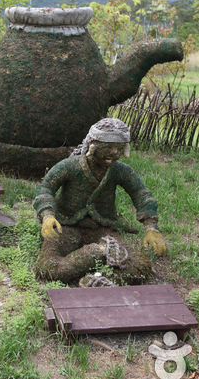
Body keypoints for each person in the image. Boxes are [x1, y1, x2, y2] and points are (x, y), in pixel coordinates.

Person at [32, 118, 167, 285]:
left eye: (119, 148)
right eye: (108, 147)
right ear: (92, 144)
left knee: (140, 265)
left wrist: (151, 227)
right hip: (68, 225)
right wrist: (47, 215)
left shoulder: (120, 171)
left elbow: (141, 193)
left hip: (103, 229)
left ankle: (97, 279)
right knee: (48, 269)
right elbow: (45, 188)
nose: (114, 153)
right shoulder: (69, 166)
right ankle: (95, 253)